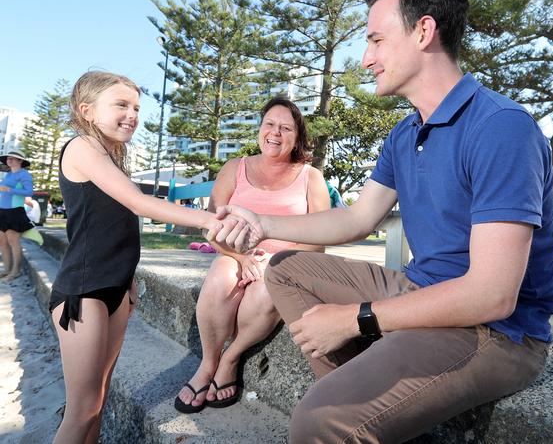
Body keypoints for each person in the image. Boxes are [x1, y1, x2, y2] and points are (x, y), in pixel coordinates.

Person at [211, 0, 553, 443]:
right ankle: (369, 398)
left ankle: (348, 409)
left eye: (376, 40)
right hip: (419, 287)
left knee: (318, 420)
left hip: (495, 332)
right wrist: (259, 221)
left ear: (423, 30)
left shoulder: (501, 127)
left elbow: (491, 295)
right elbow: (357, 218)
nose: (365, 59)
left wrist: (356, 318)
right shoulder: (406, 132)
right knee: (287, 269)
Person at [49, 71, 223, 444]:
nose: (132, 114)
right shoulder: (81, 147)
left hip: (115, 289)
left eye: (137, 108)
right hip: (84, 293)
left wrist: (127, 279)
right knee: (82, 410)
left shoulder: (111, 156)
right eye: (121, 105)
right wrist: (208, 219)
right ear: (87, 111)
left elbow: (114, 226)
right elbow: (137, 202)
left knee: (99, 400)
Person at [174, 97, 330, 413]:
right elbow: (211, 225)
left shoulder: (310, 177)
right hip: (235, 253)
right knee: (220, 277)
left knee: (265, 291)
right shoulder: (235, 168)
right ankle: (208, 363)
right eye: (269, 124)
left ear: (297, 136)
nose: (276, 133)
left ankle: (231, 358)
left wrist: (272, 261)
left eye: (286, 128)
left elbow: (320, 237)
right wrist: (241, 257)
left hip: (285, 263)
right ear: (260, 129)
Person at [0, 149, 35, 280]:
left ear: (20, 161)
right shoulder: (8, 175)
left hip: (14, 212)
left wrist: (10, 189)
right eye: (8, 158)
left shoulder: (24, 174)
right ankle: (7, 270)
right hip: (2, 211)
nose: (9, 159)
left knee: (13, 241)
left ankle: (16, 271)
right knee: (2, 242)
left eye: (12, 158)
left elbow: (29, 192)